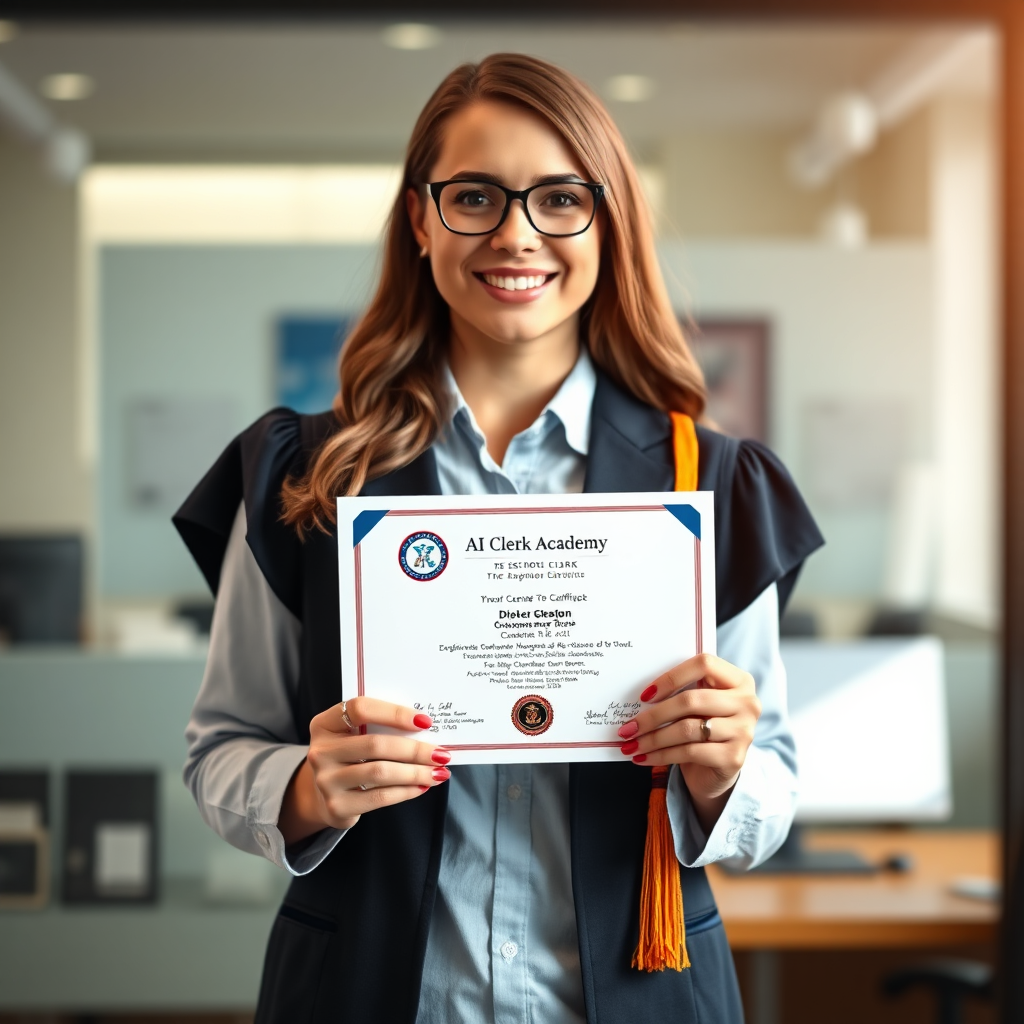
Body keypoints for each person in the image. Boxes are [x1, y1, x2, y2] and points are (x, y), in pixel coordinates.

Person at [175, 53, 823, 1024]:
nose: (517, 233)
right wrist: (308, 786)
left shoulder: (710, 484)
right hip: (368, 995)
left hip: (645, 998)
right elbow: (220, 751)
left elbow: (766, 795)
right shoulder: (304, 477)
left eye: (561, 197)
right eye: (474, 195)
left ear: (606, 223)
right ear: (421, 219)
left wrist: (724, 769)